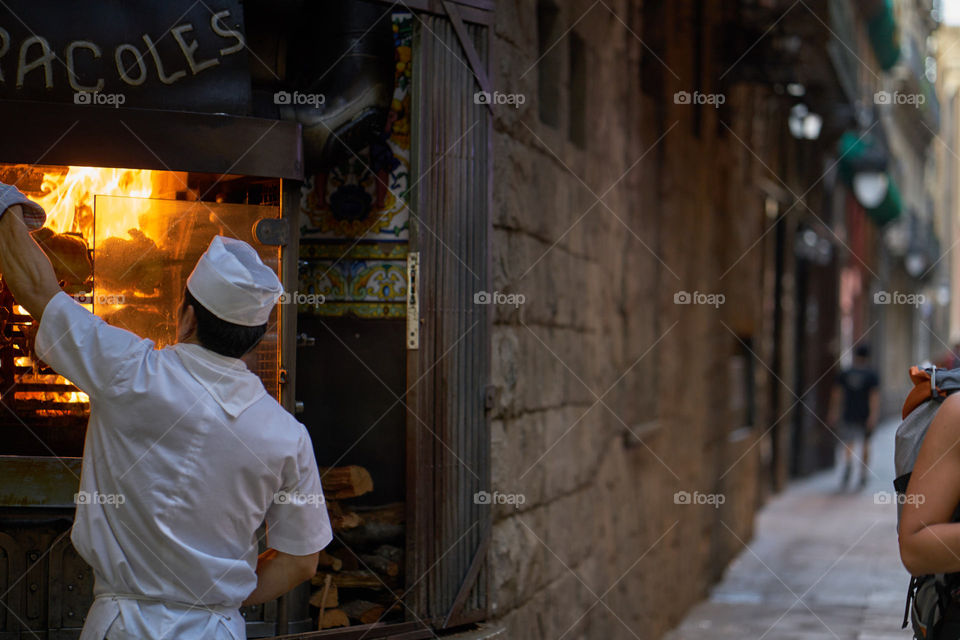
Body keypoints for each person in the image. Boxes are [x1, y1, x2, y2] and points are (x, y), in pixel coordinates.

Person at [0, 183, 331, 640]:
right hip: (217, 628)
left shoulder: (128, 370)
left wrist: (4, 208)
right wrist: (218, 595)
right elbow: (301, 561)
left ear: (187, 317)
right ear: (255, 340)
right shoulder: (287, 435)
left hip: (121, 626)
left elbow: (37, 288)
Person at [827, 343, 880, 490]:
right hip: (864, 414)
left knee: (849, 442)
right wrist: (873, 416)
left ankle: (848, 466)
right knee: (865, 443)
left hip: (848, 412)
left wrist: (833, 412)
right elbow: (874, 397)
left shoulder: (845, 373)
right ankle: (863, 473)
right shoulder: (871, 375)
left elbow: (837, 394)